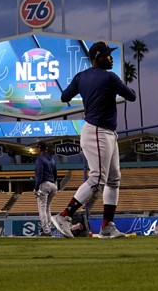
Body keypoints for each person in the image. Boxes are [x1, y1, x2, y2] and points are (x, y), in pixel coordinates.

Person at [50, 41, 137, 239]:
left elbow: (65, 97)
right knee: (98, 178)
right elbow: (131, 96)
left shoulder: (81, 77)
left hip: (103, 131)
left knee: (114, 179)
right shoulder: (109, 77)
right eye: (107, 54)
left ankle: (106, 226)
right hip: (98, 131)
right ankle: (64, 216)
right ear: (97, 57)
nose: (111, 57)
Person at [33, 142, 58, 236]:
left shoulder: (40, 159)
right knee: (47, 208)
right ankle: (48, 229)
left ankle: (46, 230)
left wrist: (36, 188)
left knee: (42, 208)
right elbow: (55, 175)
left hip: (44, 184)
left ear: (39, 149)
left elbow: (39, 174)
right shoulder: (52, 159)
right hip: (53, 184)